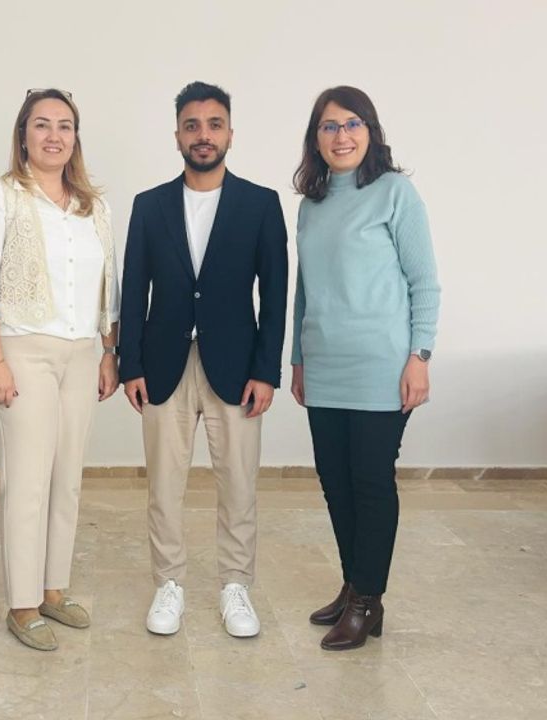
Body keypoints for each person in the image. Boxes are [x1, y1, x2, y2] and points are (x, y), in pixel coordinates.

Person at [119, 81, 288, 639]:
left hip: (236, 368)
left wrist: (266, 371)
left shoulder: (260, 204)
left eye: (214, 125)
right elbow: (133, 290)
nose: (203, 135)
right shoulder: (149, 206)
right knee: (164, 486)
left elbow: (276, 295)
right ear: (177, 136)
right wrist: (130, 364)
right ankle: (168, 584)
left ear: (230, 134)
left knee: (238, 483)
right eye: (192, 125)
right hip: (162, 365)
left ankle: (235, 585)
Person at [0, 88, 120, 651]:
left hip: (81, 354)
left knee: (67, 476)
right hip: (21, 351)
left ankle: (54, 589)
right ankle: (22, 604)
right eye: (42, 124)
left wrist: (109, 350)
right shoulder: (0, 196)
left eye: (65, 125)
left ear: (76, 137)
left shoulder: (94, 206)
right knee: (27, 481)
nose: (54, 135)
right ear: (23, 135)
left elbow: (109, 285)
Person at [290, 85, 441, 651]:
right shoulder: (311, 205)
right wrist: (298, 359)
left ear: (371, 132)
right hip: (324, 365)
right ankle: (354, 584)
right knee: (335, 483)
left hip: (382, 365)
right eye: (329, 126)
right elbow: (305, 290)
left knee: (371, 482)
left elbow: (424, 283)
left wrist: (419, 356)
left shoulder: (395, 193)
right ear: (316, 139)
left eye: (352, 124)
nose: (341, 136)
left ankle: (368, 601)